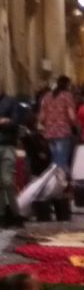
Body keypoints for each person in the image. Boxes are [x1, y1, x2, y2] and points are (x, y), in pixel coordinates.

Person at [38, 75, 76, 170]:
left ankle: (53, 176)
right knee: (61, 161)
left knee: (54, 160)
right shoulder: (67, 96)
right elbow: (72, 116)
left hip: (49, 132)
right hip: (63, 131)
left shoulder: (47, 96)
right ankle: (59, 177)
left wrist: (48, 124)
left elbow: (41, 117)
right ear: (67, 85)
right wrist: (74, 125)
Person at [0, 87, 23, 227]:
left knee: (7, 181)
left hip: (7, 145)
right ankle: (2, 215)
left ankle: (15, 212)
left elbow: (15, 122)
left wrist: (6, 122)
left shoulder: (10, 102)